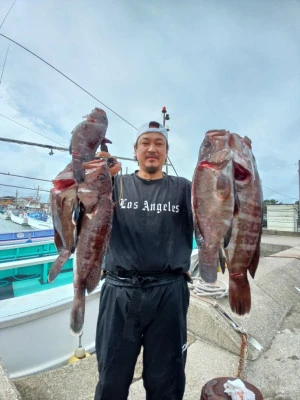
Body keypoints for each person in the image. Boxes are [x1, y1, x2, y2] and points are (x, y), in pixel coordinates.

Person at [94, 121, 194, 400]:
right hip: (119, 291)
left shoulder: (185, 189)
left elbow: (216, 213)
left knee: (167, 380)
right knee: (111, 378)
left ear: (166, 151)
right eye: (145, 143)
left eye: (159, 143)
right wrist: (95, 174)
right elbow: (81, 209)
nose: (152, 148)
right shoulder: (115, 185)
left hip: (169, 293)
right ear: (135, 150)